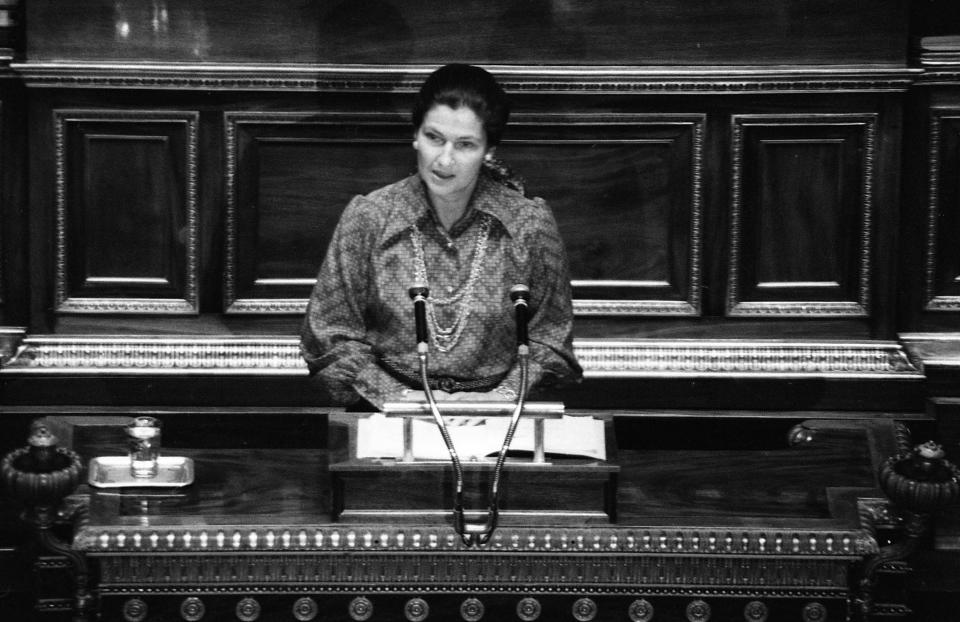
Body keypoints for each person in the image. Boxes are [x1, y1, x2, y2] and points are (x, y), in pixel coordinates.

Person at [300, 63, 581, 411]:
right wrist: (404, 402)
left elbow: (551, 341)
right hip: (385, 413)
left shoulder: (528, 223)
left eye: (464, 145)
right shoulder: (370, 217)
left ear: (488, 150)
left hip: (497, 419)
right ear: (416, 135)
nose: (444, 159)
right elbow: (330, 337)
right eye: (434, 138)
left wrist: (498, 400)